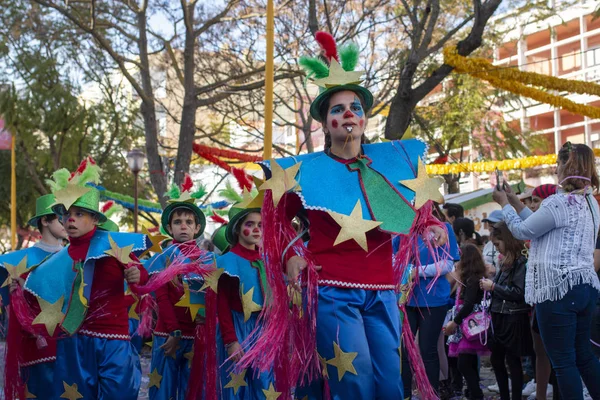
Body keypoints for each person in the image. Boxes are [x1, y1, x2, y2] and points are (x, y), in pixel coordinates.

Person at [243, 31, 448, 399]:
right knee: (354, 380)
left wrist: (431, 224)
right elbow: (274, 218)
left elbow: (412, 208)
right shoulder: (305, 172)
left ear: (365, 118)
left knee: (389, 384)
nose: (348, 114)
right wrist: (291, 256)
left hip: (383, 290)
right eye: (337, 110)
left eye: (355, 107)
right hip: (333, 291)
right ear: (325, 123)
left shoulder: (391, 165)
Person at [21, 159, 151, 400]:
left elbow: (140, 274)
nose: (70, 219)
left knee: (119, 394)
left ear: (94, 219)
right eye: (66, 214)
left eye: (78, 214)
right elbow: (42, 297)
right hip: (75, 342)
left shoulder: (113, 244)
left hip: (114, 340)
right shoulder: (56, 262)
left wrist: (135, 274)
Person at [493, 142, 600, 399]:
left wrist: (503, 205)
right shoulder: (590, 203)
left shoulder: (558, 202)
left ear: (565, 166)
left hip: (557, 289)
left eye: (557, 165)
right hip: (584, 287)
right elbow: (538, 224)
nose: (555, 171)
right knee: (583, 357)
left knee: (563, 363)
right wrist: (516, 203)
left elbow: (522, 231)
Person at [145, 176, 211, 400]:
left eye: (189, 222)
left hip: (196, 336)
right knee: (162, 391)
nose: (183, 225)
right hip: (167, 335)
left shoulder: (207, 260)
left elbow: (209, 297)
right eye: (178, 222)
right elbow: (161, 297)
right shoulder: (164, 258)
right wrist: (174, 332)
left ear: (197, 227)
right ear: (169, 228)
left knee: (191, 391)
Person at [1, 194, 67, 399]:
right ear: (45, 221)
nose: (67, 221)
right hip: (37, 348)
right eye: (60, 217)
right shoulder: (16, 262)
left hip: (70, 346)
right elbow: (12, 312)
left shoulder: (76, 257)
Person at [216, 196, 275, 399]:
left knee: (265, 383)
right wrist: (231, 340)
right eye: (250, 224)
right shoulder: (228, 261)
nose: (257, 229)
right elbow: (221, 302)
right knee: (235, 385)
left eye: (260, 225)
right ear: (237, 230)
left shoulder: (266, 261)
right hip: (238, 327)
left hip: (264, 329)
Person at [400, 204, 460, 398]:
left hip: (434, 300)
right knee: (405, 351)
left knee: (428, 349)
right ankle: (406, 394)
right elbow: (393, 258)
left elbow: (448, 264)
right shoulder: (401, 227)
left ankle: (431, 394)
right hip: (406, 299)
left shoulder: (444, 228)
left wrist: (415, 272)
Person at [480, 221, 533, 400]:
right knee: (497, 359)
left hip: (513, 318)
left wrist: (494, 287)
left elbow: (519, 293)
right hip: (500, 316)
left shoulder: (519, 261)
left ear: (507, 240)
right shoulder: (506, 261)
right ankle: (505, 396)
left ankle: (514, 397)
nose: (497, 249)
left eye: (497, 244)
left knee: (512, 361)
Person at [444, 244, 489, 400]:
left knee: (463, 363)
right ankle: (473, 391)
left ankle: (476, 393)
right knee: (468, 362)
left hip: (468, 325)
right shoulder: (470, 278)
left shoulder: (472, 280)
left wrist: (454, 322)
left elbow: (468, 303)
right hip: (466, 325)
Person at [481, 210, 503, 274]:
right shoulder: (488, 244)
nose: (490, 227)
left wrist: (496, 269)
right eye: (489, 224)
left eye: (493, 224)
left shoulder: (509, 244)